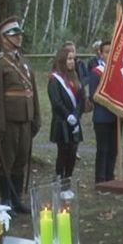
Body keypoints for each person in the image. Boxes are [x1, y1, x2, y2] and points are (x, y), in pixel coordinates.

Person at [0, 17, 41, 212]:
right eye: (14, 35)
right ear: (4, 38)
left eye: (19, 34)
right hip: (8, 121)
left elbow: (32, 92)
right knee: (6, 162)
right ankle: (6, 200)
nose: (18, 38)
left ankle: (17, 200)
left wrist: (36, 117)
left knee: (20, 160)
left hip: (25, 120)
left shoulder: (24, 62)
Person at [47, 45, 83, 180]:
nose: (71, 62)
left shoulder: (75, 77)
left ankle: (68, 178)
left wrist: (76, 115)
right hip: (61, 121)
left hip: (75, 121)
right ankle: (59, 178)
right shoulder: (54, 79)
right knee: (63, 152)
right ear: (62, 60)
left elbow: (81, 99)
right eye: (69, 59)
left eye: (73, 59)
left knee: (73, 152)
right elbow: (56, 101)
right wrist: (67, 115)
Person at [86, 40, 119, 183]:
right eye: (106, 52)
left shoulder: (118, 71)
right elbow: (93, 95)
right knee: (103, 149)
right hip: (102, 117)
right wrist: (111, 100)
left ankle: (110, 176)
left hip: (116, 117)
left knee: (113, 149)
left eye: (111, 51)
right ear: (101, 53)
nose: (109, 54)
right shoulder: (97, 72)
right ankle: (100, 179)